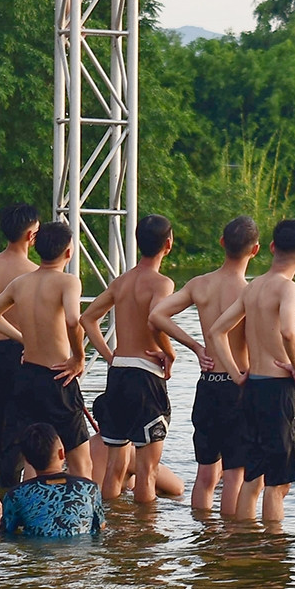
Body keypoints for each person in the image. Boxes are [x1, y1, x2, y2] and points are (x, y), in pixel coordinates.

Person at [149, 214, 259, 516]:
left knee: (206, 473)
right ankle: (230, 535)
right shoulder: (250, 292)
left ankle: (203, 534)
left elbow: (156, 316)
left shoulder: (200, 284)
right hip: (237, 384)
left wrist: (196, 347)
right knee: (234, 474)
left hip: (208, 384)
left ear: (222, 243)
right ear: (255, 250)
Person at [206, 218, 295, 523]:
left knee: (253, 478)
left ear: (272, 247)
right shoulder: (288, 288)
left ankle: (244, 539)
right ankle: (273, 546)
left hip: (251, 387)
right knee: (278, 484)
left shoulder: (252, 288)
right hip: (277, 390)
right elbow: (289, 332)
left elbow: (216, 332)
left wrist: (236, 374)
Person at [0, 221, 94, 479]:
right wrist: (78, 357)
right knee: (80, 462)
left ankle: (31, 505)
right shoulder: (68, 282)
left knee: (34, 459)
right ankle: (82, 505)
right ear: (68, 252)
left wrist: (24, 339)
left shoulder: (21, 283)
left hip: (27, 377)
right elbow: (73, 320)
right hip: (58, 377)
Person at [81, 214, 178, 507]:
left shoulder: (121, 282)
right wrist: (170, 354)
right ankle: (144, 533)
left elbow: (88, 319)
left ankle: (112, 526)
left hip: (119, 373)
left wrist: (110, 356)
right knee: (147, 472)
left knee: (115, 467)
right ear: (168, 244)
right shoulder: (162, 283)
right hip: (145, 377)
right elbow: (155, 320)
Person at [0, 203, 41, 490]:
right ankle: (11, 490)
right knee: (18, 425)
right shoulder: (33, 272)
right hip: (20, 351)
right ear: (30, 235)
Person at [0, 423, 105, 539]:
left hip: (39, 553)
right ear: (62, 453)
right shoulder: (90, 488)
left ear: (27, 460)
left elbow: (3, 536)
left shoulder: (17, 494)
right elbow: (100, 527)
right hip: (80, 551)